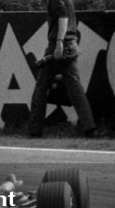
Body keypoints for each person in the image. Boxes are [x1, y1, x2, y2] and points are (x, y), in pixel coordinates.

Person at [28, 0, 96, 138]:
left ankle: (35, 131)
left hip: (58, 47)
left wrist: (59, 42)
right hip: (71, 46)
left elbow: (63, 16)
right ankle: (90, 129)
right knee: (76, 91)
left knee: (41, 88)